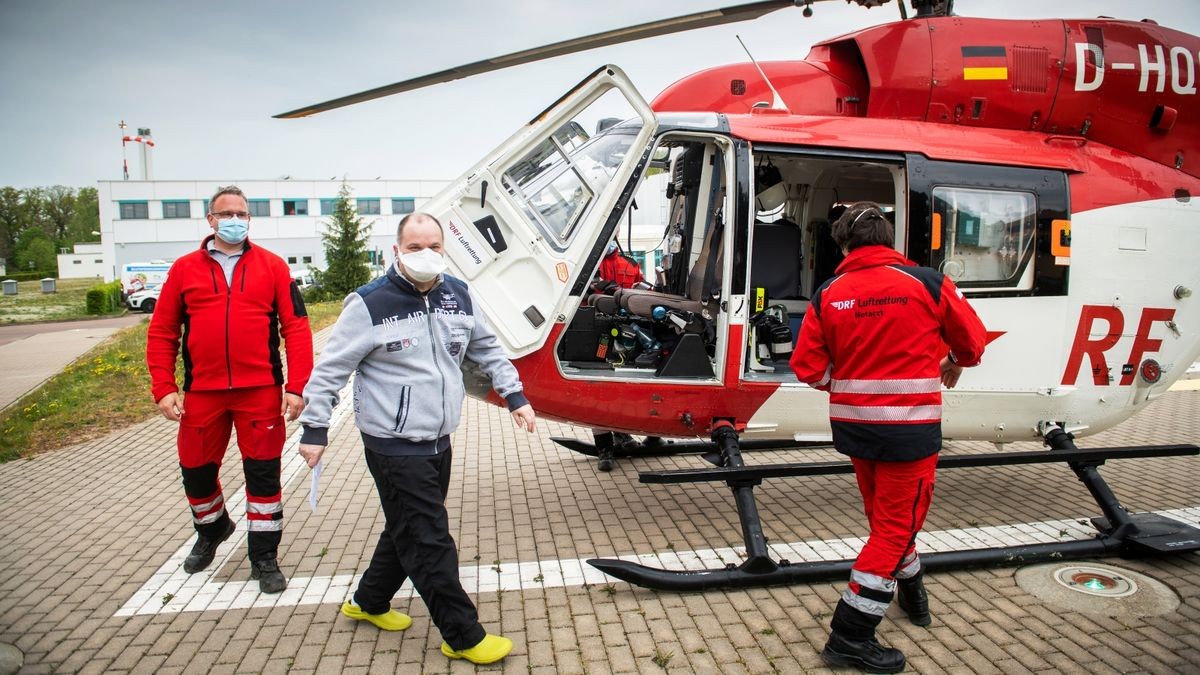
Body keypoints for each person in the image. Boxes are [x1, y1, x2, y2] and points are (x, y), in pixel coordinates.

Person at [297, 212, 537, 666]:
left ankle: (367, 602)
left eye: (434, 246)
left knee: (406, 526)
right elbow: (330, 370)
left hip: (439, 438)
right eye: (414, 247)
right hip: (393, 445)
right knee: (428, 538)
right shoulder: (369, 303)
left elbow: (488, 348)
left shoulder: (459, 296)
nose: (425, 255)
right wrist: (315, 428)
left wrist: (515, 395)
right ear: (397, 251)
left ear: (444, 250)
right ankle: (462, 634)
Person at [789, 202, 987, 673]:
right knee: (895, 529)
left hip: (856, 430)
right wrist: (955, 361)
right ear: (889, 239)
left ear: (842, 244)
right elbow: (973, 343)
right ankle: (849, 636)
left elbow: (808, 369)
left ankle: (914, 594)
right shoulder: (927, 283)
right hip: (910, 433)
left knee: (887, 522)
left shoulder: (829, 292)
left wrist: (843, 384)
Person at [146, 185, 312, 594]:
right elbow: (163, 330)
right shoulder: (183, 269)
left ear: (248, 219)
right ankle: (213, 528)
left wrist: (297, 386)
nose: (235, 219)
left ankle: (264, 555)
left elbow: (296, 328)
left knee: (263, 475)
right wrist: (164, 386)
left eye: (242, 213)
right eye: (226, 213)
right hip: (203, 392)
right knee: (196, 472)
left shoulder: (273, 267)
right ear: (211, 220)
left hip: (259, 391)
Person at [590, 238, 658, 471]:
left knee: (625, 386)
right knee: (597, 388)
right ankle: (604, 448)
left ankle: (623, 434)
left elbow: (641, 290)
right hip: (596, 331)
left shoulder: (630, 264)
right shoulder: (587, 258)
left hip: (628, 333)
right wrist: (597, 285)